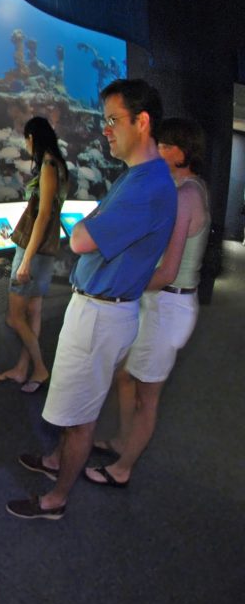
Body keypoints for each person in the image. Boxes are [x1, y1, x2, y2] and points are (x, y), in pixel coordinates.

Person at [7, 78, 177, 520]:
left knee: (81, 415)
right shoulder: (138, 176)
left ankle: (55, 499)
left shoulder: (147, 186)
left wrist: (88, 227)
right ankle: (53, 462)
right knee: (73, 399)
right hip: (97, 308)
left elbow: (82, 237)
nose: (106, 130)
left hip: (103, 315)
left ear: (142, 122)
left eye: (113, 120)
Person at [85, 117, 210, 487]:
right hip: (157, 302)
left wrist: (119, 286)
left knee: (146, 397)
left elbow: (168, 271)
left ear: (180, 153)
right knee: (126, 376)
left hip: (168, 305)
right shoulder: (181, 188)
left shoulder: (186, 196)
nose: (155, 150)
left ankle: (122, 469)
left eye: (163, 145)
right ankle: (124, 441)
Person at [0, 117, 69, 393]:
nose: (26, 144)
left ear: (33, 137)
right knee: (33, 310)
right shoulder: (61, 166)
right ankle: (23, 369)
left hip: (33, 248)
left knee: (14, 316)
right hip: (48, 248)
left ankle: (40, 367)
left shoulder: (47, 165)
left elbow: (43, 213)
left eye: (26, 139)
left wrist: (25, 259)